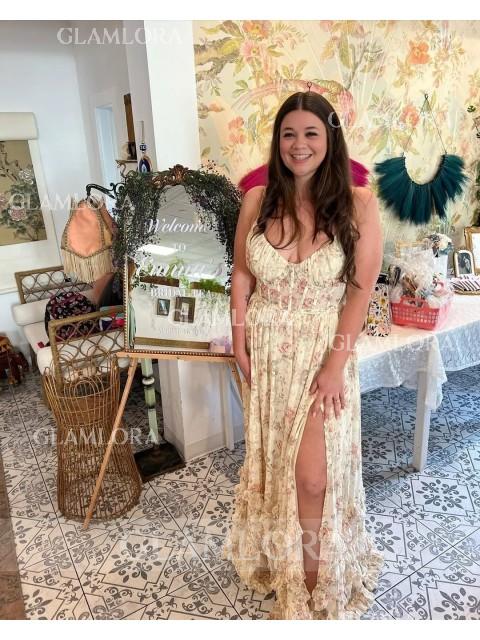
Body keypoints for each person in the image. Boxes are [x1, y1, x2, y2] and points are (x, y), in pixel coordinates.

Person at [222, 90, 385, 620]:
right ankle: (287, 569)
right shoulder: (257, 200)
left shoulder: (359, 204)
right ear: (278, 141)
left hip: (322, 357)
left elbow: (359, 292)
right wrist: (239, 338)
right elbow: (242, 275)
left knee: (314, 478)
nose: (299, 144)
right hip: (267, 357)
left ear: (330, 139)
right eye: (288, 134)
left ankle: (311, 597)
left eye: (311, 133)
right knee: (276, 467)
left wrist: (335, 367)